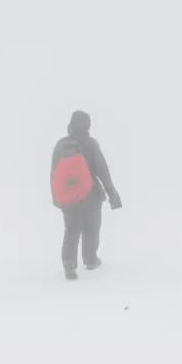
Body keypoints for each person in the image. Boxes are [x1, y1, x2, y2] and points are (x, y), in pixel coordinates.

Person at [50, 110, 122, 280]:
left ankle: (69, 261)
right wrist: (112, 194)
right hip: (90, 195)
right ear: (87, 125)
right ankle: (90, 259)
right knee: (91, 228)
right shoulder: (90, 144)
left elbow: (54, 173)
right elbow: (102, 171)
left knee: (71, 229)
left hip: (67, 198)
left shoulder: (60, 145)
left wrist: (56, 196)